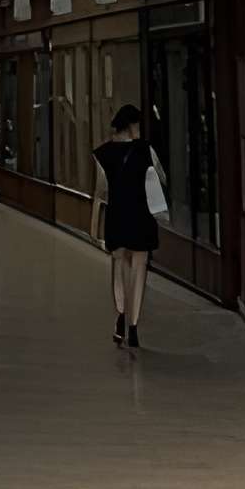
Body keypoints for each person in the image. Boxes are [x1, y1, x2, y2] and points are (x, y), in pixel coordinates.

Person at [92, 103, 161, 352]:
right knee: (139, 269)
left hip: (117, 216)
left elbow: (101, 189)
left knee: (118, 266)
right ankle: (134, 326)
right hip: (141, 216)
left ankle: (121, 314)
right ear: (132, 126)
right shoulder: (145, 150)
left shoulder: (102, 154)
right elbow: (160, 179)